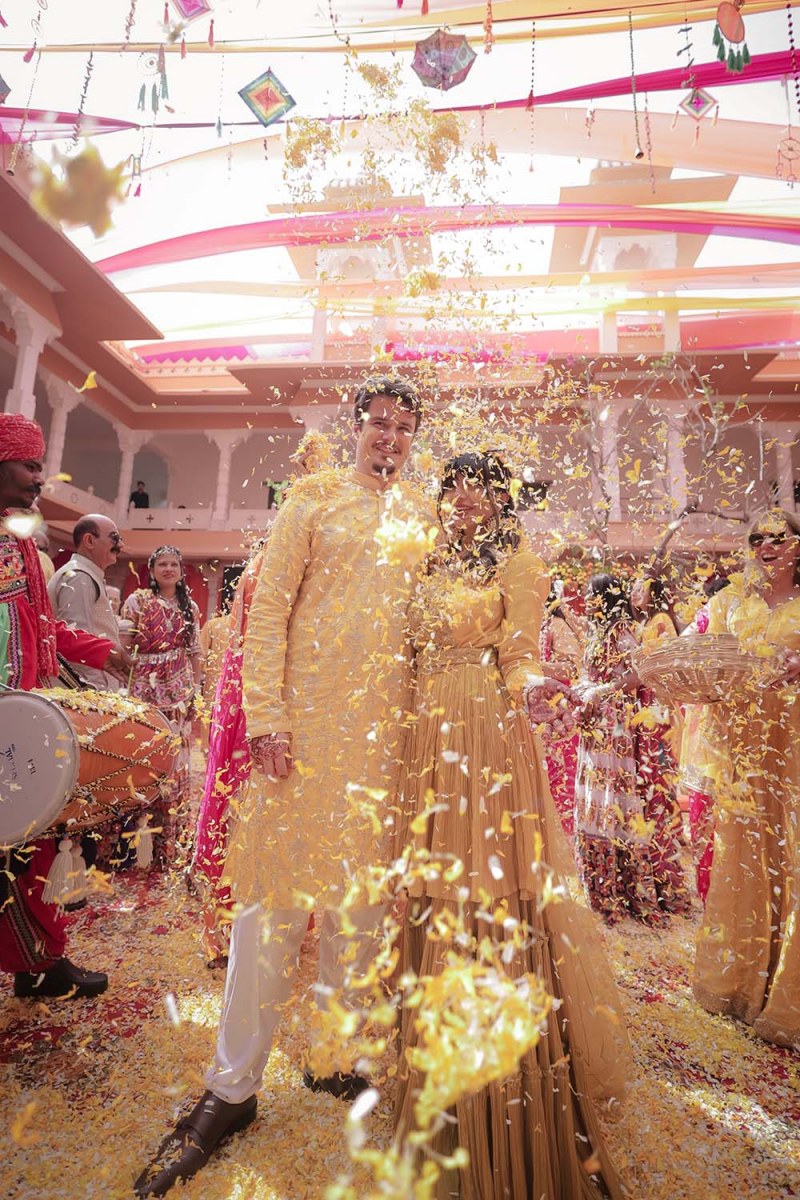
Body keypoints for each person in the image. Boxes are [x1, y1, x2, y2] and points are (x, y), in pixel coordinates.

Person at [135, 375, 432, 1198]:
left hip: (384, 744)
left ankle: (335, 1055)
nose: (390, 437)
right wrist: (266, 716)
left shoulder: (422, 516)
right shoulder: (313, 498)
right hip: (299, 740)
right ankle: (232, 1087)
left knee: (359, 907)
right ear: (356, 426)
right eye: (378, 422)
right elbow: (267, 613)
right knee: (270, 908)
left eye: (405, 426)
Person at [394, 453, 629, 1199]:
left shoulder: (519, 564)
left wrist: (535, 690)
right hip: (421, 732)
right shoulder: (423, 558)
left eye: (481, 488)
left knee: (483, 885)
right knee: (430, 884)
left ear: (501, 500)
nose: (466, 499)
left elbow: (521, 655)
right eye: (455, 487)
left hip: (485, 734)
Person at [0, 412, 129, 999]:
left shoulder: (20, 542)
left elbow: (43, 628)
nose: (38, 478)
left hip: (25, 719)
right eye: (28, 466)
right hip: (13, 718)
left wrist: (103, 652)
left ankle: (38, 962)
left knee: (30, 844)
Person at [694, 509, 800, 1046]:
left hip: (794, 750)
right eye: (758, 538)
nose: (766, 546)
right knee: (744, 853)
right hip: (746, 752)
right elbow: (703, 657)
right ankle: (739, 982)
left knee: (793, 852)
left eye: (778, 537)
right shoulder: (732, 603)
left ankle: (787, 993)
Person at [574, 574, 683, 925]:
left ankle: (617, 889)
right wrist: (584, 689)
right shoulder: (596, 631)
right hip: (594, 723)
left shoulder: (622, 631)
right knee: (593, 796)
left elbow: (638, 676)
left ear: (605, 598)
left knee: (611, 798)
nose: (586, 601)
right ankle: (596, 887)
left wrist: (601, 691)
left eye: (591, 595)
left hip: (615, 724)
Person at [121, 546, 201, 866]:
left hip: (179, 690)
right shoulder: (137, 601)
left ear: (181, 571)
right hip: (145, 687)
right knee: (143, 754)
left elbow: (195, 652)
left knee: (175, 759)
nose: (169, 569)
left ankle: (171, 839)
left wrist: (195, 690)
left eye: (174, 564)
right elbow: (123, 647)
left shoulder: (190, 606)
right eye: (162, 564)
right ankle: (137, 838)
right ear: (152, 570)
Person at [629, 575, 690, 914]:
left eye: (640, 588)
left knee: (659, 786)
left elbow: (670, 664)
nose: (634, 592)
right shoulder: (645, 622)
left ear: (653, 592)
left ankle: (669, 874)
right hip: (646, 710)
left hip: (659, 711)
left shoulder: (662, 621)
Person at [677, 576, 731, 903]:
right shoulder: (726, 611)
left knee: (708, 810)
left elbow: (678, 651)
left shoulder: (708, 613)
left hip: (714, 725)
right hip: (719, 724)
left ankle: (710, 892)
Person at [48, 513, 123, 691]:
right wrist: (94, 692)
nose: (120, 545)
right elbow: (77, 643)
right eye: (114, 538)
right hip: (80, 690)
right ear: (89, 540)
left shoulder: (85, 574)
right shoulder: (79, 577)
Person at [540, 583, 584, 836]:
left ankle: (562, 847)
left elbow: (572, 667)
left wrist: (533, 667)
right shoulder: (529, 628)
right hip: (531, 720)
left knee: (558, 786)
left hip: (556, 719)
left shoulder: (556, 625)